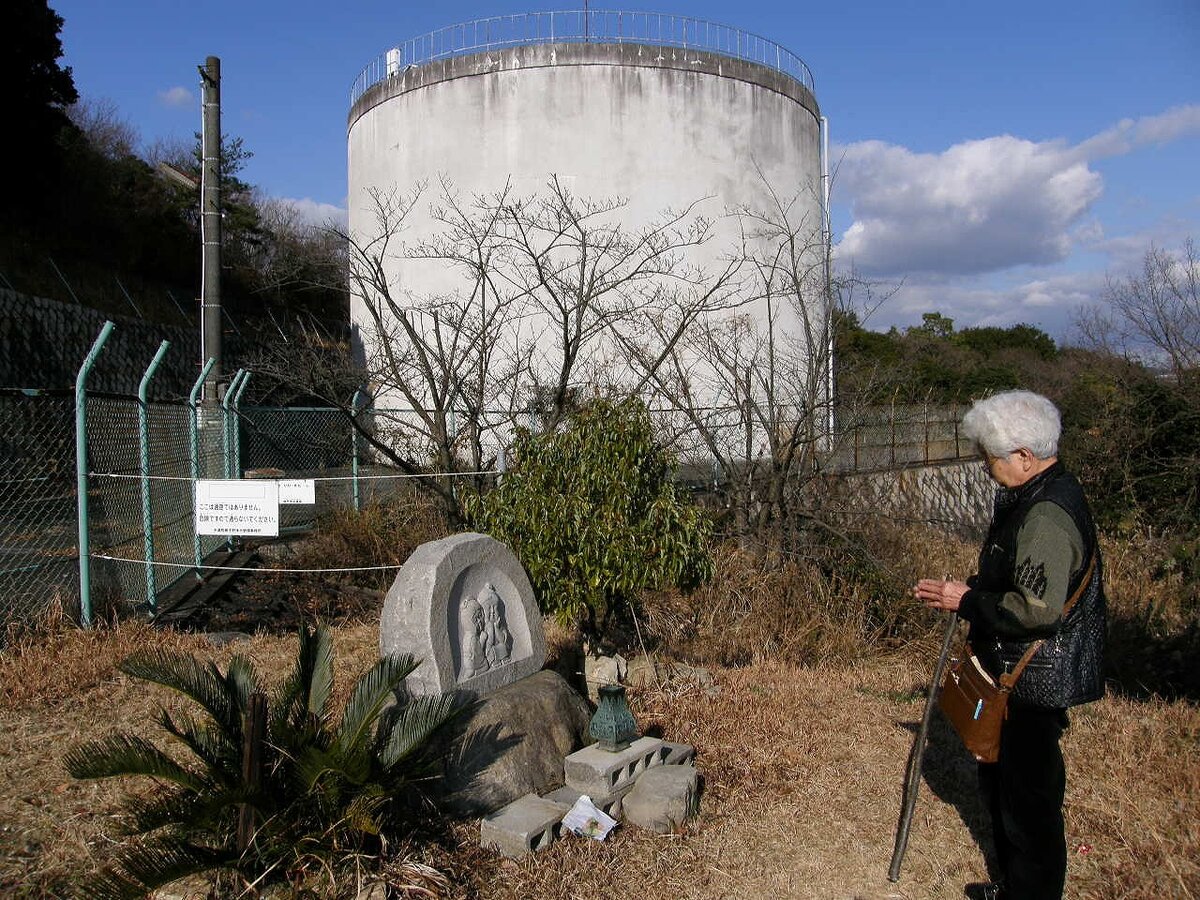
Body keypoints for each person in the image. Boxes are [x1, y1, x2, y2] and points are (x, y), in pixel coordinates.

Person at [913, 389, 1106, 900]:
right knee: (1008, 787)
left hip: (1033, 677)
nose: (984, 465)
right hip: (1021, 671)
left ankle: (1031, 893)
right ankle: (1016, 885)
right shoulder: (1038, 493)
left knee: (1029, 799)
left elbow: (1034, 611)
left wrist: (968, 599)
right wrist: (979, 587)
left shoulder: (1046, 516)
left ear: (1024, 456)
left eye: (989, 456)